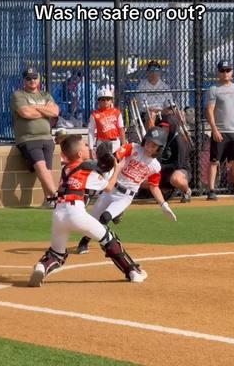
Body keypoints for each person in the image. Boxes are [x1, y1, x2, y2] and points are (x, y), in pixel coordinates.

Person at [28, 134, 148, 286]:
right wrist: (117, 169)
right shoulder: (87, 171)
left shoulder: (66, 169)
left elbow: (86, 174)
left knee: (57, 253)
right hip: (76, 214)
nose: (87, 147)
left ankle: (42, 267)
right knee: (108, 238)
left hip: (59, 214)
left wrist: (103, 167)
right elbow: (109, 187)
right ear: (79, 153)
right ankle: (133, 272)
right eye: (84, 145)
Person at [76, 126, 177, 255]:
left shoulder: (155, 166)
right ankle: (87, 239)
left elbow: (153, 186)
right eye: (148, 142)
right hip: (112, 189)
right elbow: (116, 157)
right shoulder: (133, 148)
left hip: (126, 196)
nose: (149, 146)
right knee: (92, 219)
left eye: (154, 145)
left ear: (159, 148)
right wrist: (106, 163)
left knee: (105, 217)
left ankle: (94, 242)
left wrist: (163, 204)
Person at [10, 67, 59, 208]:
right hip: (28, 139)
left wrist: (36, 108)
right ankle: (56, 196)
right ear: (24, 81)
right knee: (41, 167)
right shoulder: (18, 95)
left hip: (47, 138)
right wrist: (44, 110)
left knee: (47, 171)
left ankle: (48, 200)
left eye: (34, 78)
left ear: (39, 79)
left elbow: (55, 111)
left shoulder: (46, 95)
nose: (32, 81)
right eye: (28, 78)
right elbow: (25, 113)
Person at [206, 60, 234, 200]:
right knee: (215, 161)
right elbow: (210, 111)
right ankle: (211, 191)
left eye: (228, 70)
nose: (225, 73)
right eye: (222, 71)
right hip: (220, 131)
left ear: (232, 72)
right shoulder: (214, 89)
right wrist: (214, 130)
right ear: (218, 72)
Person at [159, 114, 192, 203]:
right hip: (164, 169)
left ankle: (187, 191)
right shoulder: (161, 139)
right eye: (162, 126)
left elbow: (178, 164)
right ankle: (165, 190)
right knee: (142, 179)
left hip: (180, 170)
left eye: (166, 127)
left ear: (172, 126)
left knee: (176, 179)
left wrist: (161, 167)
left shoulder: (179, 141)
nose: (163, 129)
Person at [88, 88, 126, 158]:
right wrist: (90, 149)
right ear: (98, 101)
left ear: (111, 101)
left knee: (115, 164)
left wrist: (124, 145)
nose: (106, 101)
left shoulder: (117, 112)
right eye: (103, 99)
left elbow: (121, 129)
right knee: (102, 166)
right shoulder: (94, 115)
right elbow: (91, 132)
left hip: (115, 143)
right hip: (102, 143)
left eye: (108, 99)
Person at [136, 60, 174, 128]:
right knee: (151, 114)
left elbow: (169, 104)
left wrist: (169, 109)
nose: (154, 73)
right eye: (151, 71)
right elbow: (143, 107)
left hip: (163, 113)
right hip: (148, 113)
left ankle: (180, 136)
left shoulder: (165, 86)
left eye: (156, 71)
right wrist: (158, 110)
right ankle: (149, 137)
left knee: (179, 113)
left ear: (159, 72)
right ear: (147, 72)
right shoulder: (141, 86)